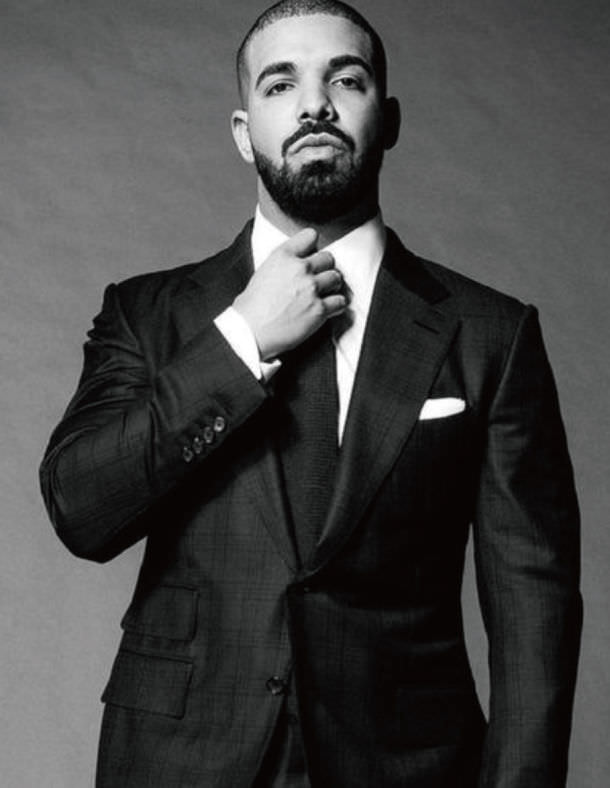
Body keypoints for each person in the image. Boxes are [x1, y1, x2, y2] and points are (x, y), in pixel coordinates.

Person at [40, 1, 582, 785]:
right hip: (181, 760)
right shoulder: (147, 314)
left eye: (346, 80)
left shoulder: (490, 332)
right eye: (280, 84)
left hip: (409, 765)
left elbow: (534, 602)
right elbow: (81, 510)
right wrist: (242, 341)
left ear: (387, 120)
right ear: (243, 132)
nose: (314, 105)